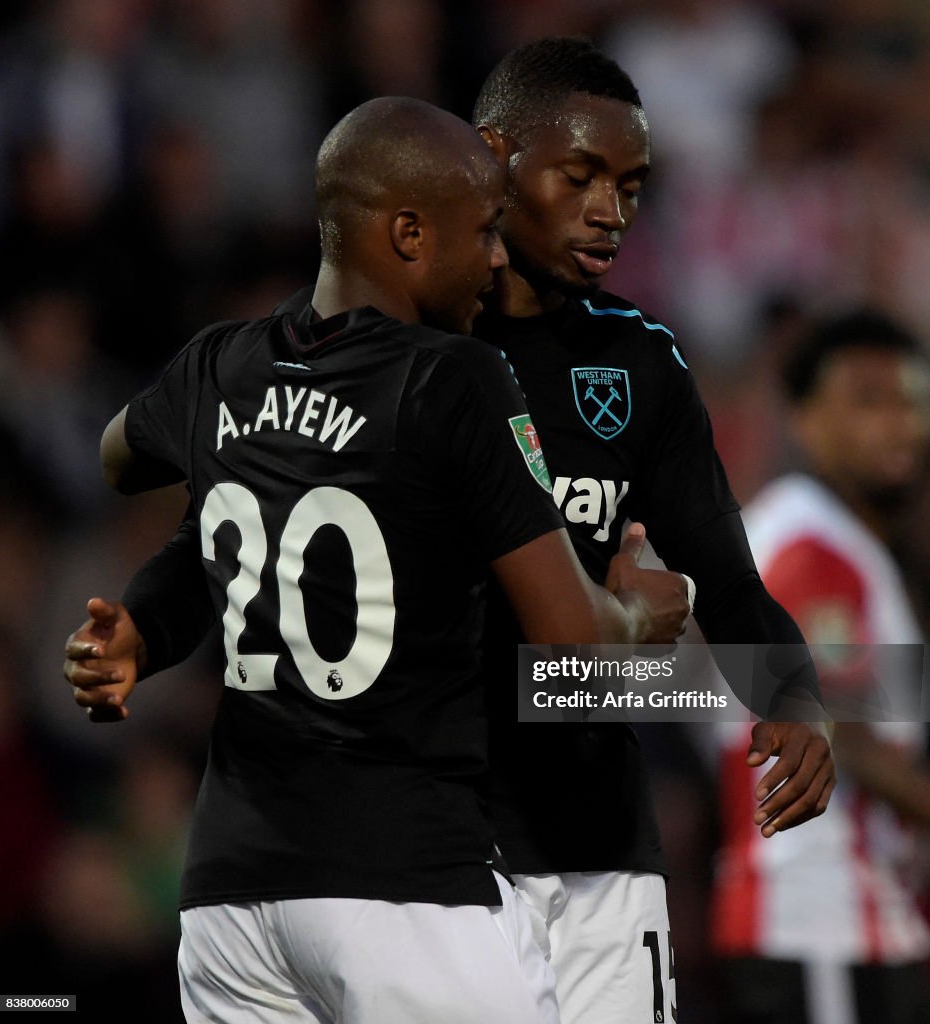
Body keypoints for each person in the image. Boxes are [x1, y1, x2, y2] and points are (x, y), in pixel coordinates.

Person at [66, 38, 835, 1024]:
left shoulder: (637, 366)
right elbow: (220, 537)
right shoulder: (404, 353)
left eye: (634, 185)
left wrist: (795, 692)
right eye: (582, 175)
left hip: (580, 849)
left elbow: (725, 581)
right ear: (493, 160)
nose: (612, 209)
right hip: (423, 860)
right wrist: (638, 636)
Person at [711, 309, 930, 1024]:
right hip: (819, 920)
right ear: (804, 420)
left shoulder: (834, 542)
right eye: (867, 401)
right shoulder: (812, 549)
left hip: (839, 920)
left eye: (909, 399)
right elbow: (845, 735)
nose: (898, 423)